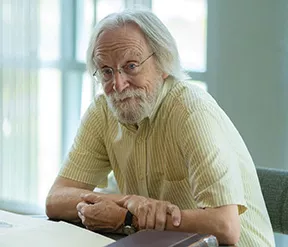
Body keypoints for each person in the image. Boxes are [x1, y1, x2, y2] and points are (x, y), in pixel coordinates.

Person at [45, 9, 275, 246]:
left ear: (163, 63)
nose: (118, 84)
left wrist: (128, 218)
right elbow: (55, 199)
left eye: (131, 66)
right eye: (106, 71)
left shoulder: (191, 111)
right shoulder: (103, 111)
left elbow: (225, 226)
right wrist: (129, 202)